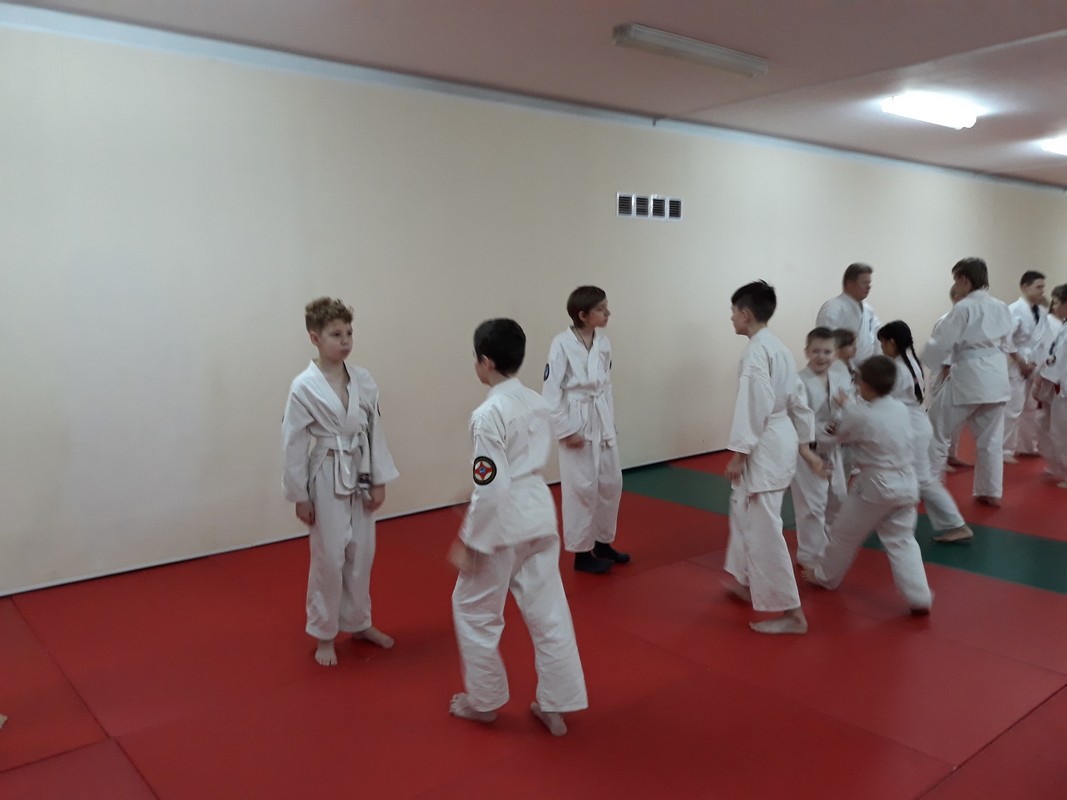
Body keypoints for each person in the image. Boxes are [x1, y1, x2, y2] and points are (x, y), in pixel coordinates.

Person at [449, 318, 587, 736]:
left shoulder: (487, 414)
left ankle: (484, 701)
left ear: (485, 362)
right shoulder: (537, 402)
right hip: (540, 514)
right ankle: (556, 704)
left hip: (504, 524)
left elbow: (491, 487)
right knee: (550, 613)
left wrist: (470, 541)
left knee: (474, 610)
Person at [282, 297, 400, 667]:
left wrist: (379, 478)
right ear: (315, 338)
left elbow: (374, 430)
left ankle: (359, 622)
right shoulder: (303, 386)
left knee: (362, 552)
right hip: (326, 472)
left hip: (360, 468)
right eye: (336, 334)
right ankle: (324, 633)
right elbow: (293, 442)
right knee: (330, 556)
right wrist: (300, 495)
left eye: (349, 332)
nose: (345, 340)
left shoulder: (363, 379)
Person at [722, 281, 825, 635]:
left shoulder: (756, 353)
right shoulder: (778, 347)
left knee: (764, 529)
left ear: (745, 314)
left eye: (733, 312)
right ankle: (746, 579)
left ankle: (793, 613)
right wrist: (805, 445)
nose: (731, 318)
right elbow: (799, 400)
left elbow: (753, 405)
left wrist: (739, 454)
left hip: (764, 445)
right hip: (779, 439)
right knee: (744, 511)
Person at [803, 356, 933, 615]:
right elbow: (865, 418)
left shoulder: (860, 416)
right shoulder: (899, 408)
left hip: (876, 487)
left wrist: (804, 431)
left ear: (867, 386)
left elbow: (833, 435)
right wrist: (849, 406)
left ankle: (825, 576)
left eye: (859, 381)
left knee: (843, 534)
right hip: (907, 485)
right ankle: (920, 597)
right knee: (902, 540)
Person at [542, 286, 627, 574]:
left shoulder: (603, 344)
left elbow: (607, 386)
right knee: (581, 488)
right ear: (582, 314)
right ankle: (581, 552)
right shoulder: (561, 344)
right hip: (576, 421)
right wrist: (566, 431)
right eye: (601, 309)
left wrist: (610, 424)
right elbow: (550, 393)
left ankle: (603, 542)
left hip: (601, 420)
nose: (607, 313)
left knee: (610, 483)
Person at [923, 258, 1014, 507]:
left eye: (956, 280)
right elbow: (1008, 342)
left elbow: (942, 343)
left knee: (937, 429)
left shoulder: (963, 308)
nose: (955, 286)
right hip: (997, 375)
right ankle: (990, 491)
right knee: (991, 439)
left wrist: (921, 361)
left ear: (964, 279)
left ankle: (929, 486)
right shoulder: (1001, 306)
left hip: (970, 375)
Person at [878, 321, 974, 543]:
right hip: (915, 424)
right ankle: (888, 515)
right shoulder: (911, 361)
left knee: (924, 481)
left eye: (882, 343)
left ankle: (956, 524)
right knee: (900, 473)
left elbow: (885, 401)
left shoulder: (898, 369)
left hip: (911, 428)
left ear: (891, 342)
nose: (881, 348)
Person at [790, 327, 850, 568]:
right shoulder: (798, 381)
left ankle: (831, 547)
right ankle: (810, 556)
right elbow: (797, 421)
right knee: (811, 505)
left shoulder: (840, 377)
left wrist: (844, 413)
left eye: (827, 352)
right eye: (816, 351)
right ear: (807, 352)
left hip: (833, 448)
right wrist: (825, 429)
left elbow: (850, 408)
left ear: (835, 354)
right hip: (807, 450)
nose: (821, 357)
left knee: (838, 498)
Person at [1004, 271, 1048, 461]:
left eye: (1043, 287)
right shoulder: (1013, 309)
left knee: (1030, 407)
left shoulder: (1041, 312)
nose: (1042, 291)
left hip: (1034, 362)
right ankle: (1006, 450)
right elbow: (1006, 339)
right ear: (1024, 287)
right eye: (1038, 287)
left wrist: (1035, 362)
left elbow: (1042, 340)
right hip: (1016, 362)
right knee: (1013, 408)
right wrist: (1021, 361)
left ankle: (1028, 446)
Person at [1032, 284, 1067, 488]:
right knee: (1052, 428)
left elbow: (1059, 360)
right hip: (1058, 385)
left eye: (1058, 302)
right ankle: (1057, 466)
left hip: (1063, 387)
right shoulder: (1064, 326)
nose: (1054, 306)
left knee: (1062, 431)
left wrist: (1041, 379)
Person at [816, 263, 882, 362]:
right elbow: (826, 343)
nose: (869, 287)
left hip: (867, 367)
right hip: (840, 366)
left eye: (869, 283)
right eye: (864, 283)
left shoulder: (868, 309)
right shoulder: (833, 308)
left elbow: (878, 336)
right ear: (849, 283)